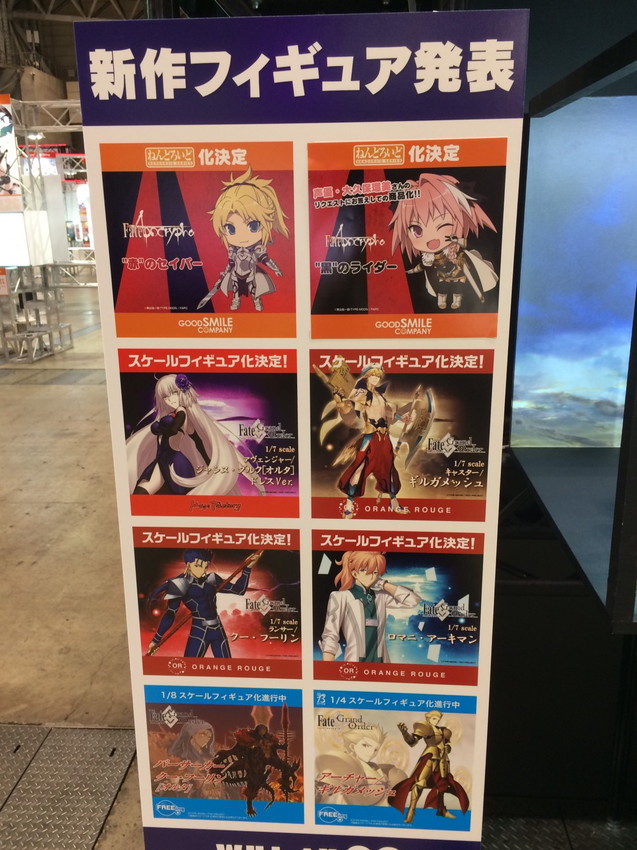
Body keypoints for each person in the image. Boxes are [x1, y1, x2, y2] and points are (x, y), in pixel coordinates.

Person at [126, 372, 264, 496]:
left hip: (174, 463)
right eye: (165, 397)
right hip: (161, 460)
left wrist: (210, 464)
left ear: (182, 392)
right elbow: (194, 440)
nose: (170, 399)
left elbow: (175, 430)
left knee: (153, 494)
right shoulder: (171, 414)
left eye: (174, 393)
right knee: (142, 492)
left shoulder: (182, 414)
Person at [390, 172, 498, 311]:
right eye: (417, 230)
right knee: (441, 288)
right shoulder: (428, 256)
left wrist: (456, 243)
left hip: (459, 273)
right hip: (440, 275)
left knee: (458, 288)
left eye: (444, 225)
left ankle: (457, 300)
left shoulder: (455, 247)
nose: (432, 239)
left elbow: (464, 244)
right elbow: (422, 266)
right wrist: (411, 271)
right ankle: (442, 299)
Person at [199, 166, 289, 312]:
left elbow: (265, 259)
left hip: (251, 272)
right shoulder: (233, 249)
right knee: (235, 286)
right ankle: (236, 300)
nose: (241, 236)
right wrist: (224, 274)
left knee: (254, 286)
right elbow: (230, 263)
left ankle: (257, 301)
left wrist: (276, 269)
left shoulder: (257, 249)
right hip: (236, 273)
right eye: (230, 228)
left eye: (253, 226)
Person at [147, 549, 259, 657]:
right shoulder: (179, 584)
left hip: (218, 629)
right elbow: (170, 614)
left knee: (227, 666)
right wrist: (156, 640)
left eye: (205, 566)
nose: (203, 571)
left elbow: (239, 590)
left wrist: (247, 568)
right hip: (199, 631)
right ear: (188, 564)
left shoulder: (211, 579)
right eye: (199, 566)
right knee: (189, 667)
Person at [334, 363, 407, 518]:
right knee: (360, 467)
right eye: (373, 375)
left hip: (384, 438)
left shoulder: (380, 395)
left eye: (378, 376)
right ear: (367, 376)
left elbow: (387, 414)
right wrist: (341, 403)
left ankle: (393, 502)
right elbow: (351, 407)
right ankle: (349, 503)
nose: (376, 378)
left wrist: (402, 418)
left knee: (388, 467)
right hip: (370, 437)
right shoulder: (363, 393)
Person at [319, 551, 421, 662]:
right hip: (355, 662)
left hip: (381, 662)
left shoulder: (381, 596)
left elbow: (413, 600)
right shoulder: (341, 597)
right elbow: (330, 635)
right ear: (354, 573)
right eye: (364, 571)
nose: (371, 576)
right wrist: (327, 666)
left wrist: (383, 584)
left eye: (375, 572)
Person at [389, 710, 469, 823]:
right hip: (430, 757)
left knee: (442, 784)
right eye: (434, 718)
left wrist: (447, 749)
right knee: (420, 783)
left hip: (443, 760)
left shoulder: (444, 731)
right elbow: (412, 742)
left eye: (438, 719)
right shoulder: (425, 728)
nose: (437, 721)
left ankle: (441, 810)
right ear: (428, 719)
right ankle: (411, 812)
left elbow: (447, 745)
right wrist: (405, 733)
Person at [316, 724, 407, 806]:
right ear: (352, 746)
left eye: (375, 749)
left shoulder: (385, 772)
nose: (371, 752)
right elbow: (318, 795)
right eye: (366, 745)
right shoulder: (337, 767)